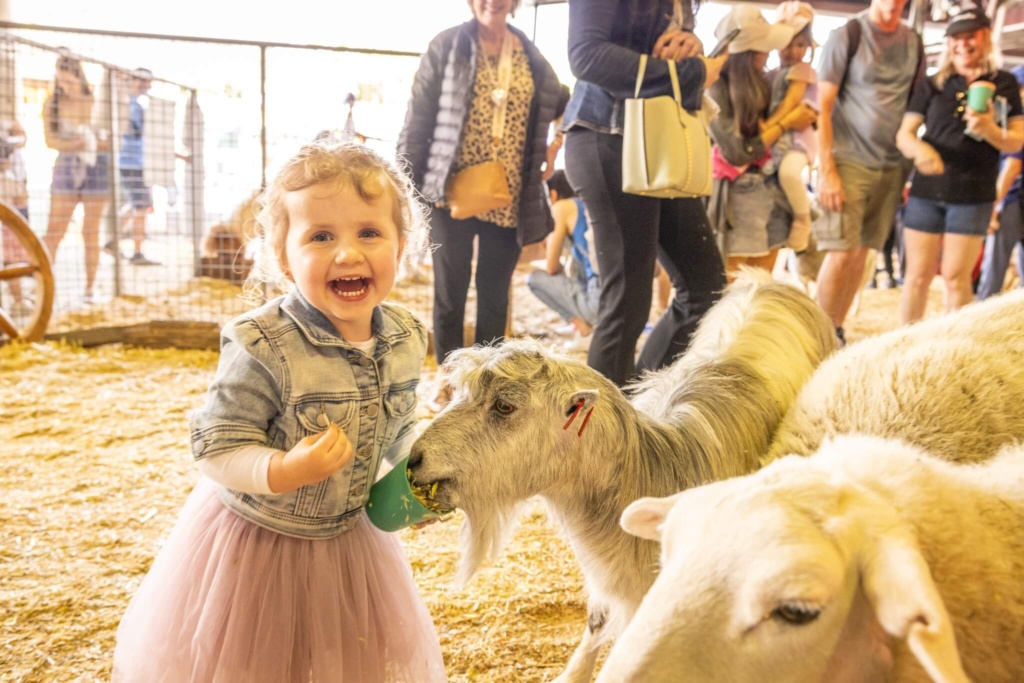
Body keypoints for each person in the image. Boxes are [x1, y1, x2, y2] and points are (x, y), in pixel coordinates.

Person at [111, 142, 447, 682]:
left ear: (401, 246)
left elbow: (398, 428)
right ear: (285, 258)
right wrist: (284, 470)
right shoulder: (262, 343)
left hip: (350, 545)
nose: (347, 253)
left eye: (369, 232)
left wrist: (414, 477)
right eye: (321, 236)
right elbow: (217, 447)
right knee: (258, 663)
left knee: (340, 658)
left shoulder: (407, 336)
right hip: (259, 547)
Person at [398, 0, 568, 411]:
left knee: (494, 295)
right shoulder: (447, 46)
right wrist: (412, 186)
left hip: (508, 194)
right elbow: (417, 119)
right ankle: (449, 381)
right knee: (450, 292)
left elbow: (566, 102)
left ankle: (486, 386)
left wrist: (556, 145)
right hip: (449, 192)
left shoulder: (530, 55)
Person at [562, 0, 729, 386]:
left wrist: (690, 44)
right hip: (607, 136)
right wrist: (688, 72)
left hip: (659, 141)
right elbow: (585, 55)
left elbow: (657, 47)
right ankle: (601, 437)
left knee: (705, 290)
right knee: (627, 306)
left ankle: (635, 407)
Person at [895, 10, 1023, 322]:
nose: (963, 44)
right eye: (957, 37)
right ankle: (901, 344)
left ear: (985, 38)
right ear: (948, 42)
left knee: (956, 277)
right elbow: (904, 135)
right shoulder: (933, 84)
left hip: (974, 194)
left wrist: (989, 130)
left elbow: (1017, 141)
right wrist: (920, 150)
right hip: (927, 191)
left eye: (971, 35)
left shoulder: (1004, 82)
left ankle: (954, 351)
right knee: (916, 276)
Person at [814, 0, 925, 344]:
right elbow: (823, 105)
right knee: (841, 252)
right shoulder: (848, 33)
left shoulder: (913, 41)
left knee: (862, 253)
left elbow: (915, 102)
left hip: (892, 164)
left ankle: (836, 334)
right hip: (848, 159)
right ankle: (814, 337)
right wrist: (826, 169)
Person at [707, 4, 817, 278]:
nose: (770, 53)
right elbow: (737, 153)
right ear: (747, 53)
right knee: (733, 285)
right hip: (736, 198)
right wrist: (786, 123)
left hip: (769, 189)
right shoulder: (714, 87)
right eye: (763, 47)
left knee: (762, 284)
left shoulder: (762, 81)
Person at [42, 53, 112, 303]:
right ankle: (43, 286)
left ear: (79, 77)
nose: (64, 87)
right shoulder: (53, 103)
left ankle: (90, 289)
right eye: (60, 82)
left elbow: (113, 140)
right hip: (66, 168)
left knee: (90, 232)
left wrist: (97, 144)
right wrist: (75, 143)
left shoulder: (97, 100)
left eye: (69, 82)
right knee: (55, 231)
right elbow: (50, 141)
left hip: (97, 169)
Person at [765, 0, 819, 253]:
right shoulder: (771, 74)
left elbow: (790, 105)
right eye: (787, 43)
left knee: (788, 173)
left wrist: (767, 126)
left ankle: (803, 216)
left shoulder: (802, 70)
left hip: (797, 139)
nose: (793, 51)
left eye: (800, 44)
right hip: (777, 141)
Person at [526, 169, 600, 351]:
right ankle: (581, 325)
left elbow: (551, 268)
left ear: (552, 194)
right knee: (574, 268)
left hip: (598, 301)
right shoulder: (586, 204)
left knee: (535, 279)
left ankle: (584, 331)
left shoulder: (561, 207)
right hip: (614, 295)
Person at [978, 64, 1024, 300]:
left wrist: (994, 206)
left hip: (1012, 200)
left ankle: (980, 321)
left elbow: (1012, 166)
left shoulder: (1018, 121)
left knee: (993, 271)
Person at [108, 67, 159, 266]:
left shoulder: (137, 104)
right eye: (142, 81)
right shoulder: (126, 103)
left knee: (136, 204)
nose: (146, 86)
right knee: (140, 207)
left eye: (148, 82)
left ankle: (112, 241)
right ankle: (137, 253)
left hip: (138, 162)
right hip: (132, 163)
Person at [0, 116, 29, 313]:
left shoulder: (7, 179)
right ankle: (18, 301)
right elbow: (22, 200)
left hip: (6, 232)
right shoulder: (9, 179)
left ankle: (18, 301)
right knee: (12, 267)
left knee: (11, 266)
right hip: (7, 231)